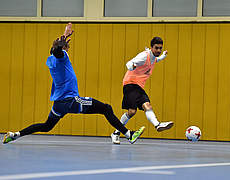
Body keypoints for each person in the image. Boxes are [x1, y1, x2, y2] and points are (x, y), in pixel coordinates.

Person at [2, 23, 144, 145]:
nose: (68, 47)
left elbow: (54, 51)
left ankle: (15, 135)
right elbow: (58, 52)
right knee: (106, 108)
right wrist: (62, 42)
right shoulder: (61, 57)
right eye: (66, 46)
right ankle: (128, 134)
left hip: (59, 103)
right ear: (62, 48)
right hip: (71, 100)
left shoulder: (50, 60)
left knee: (46, 126)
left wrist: (62, 38)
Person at [111, 37, 174, 144]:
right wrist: (132, 66)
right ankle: (116, 133)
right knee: (132, 111)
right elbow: (128, 63)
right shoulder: (144, 56)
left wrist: (163, 55)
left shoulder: (154, 57)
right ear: (151, 47)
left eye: (160, 48)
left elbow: (156, 60)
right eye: (156, 48)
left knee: (143, 107)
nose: (158, 50)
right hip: (130, 84)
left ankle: (157, 125)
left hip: (138, 87)